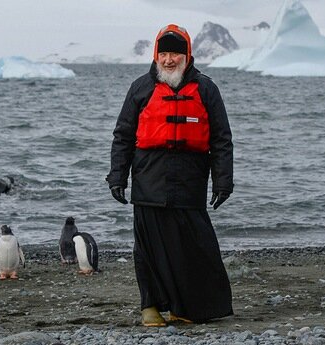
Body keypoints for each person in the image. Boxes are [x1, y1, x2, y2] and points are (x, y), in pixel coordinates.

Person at [106, 24, 234, 327]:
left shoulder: (206, 89)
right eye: (163, 53)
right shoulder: (140, 88)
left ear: (187, 56)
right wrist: (117, 176)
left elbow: (221, 139)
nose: (168, 59)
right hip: (149, 181)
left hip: (189, 184)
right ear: (155, 55)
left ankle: (184, 307)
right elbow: (123, 136)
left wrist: (223, 180)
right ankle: (150, 307)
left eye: (174, 53)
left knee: (194, 247)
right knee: (148, 249)